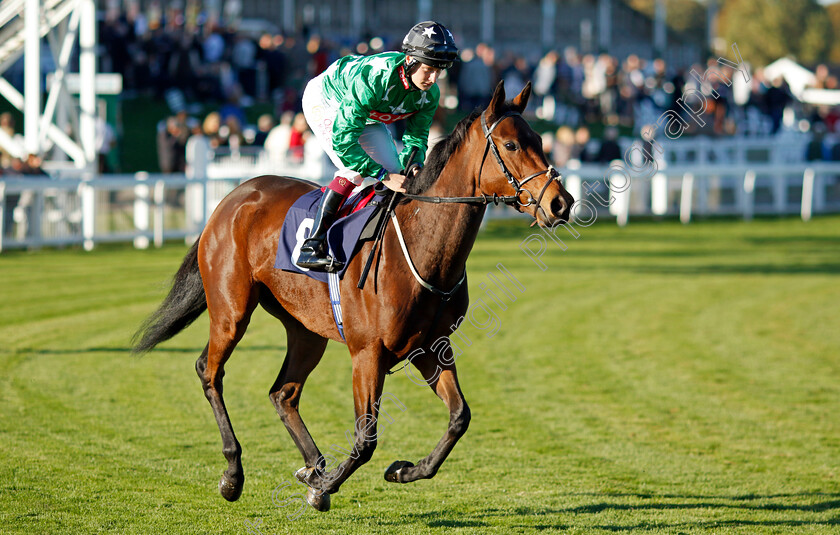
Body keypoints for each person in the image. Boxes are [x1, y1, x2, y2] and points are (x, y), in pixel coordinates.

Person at [295, 20, 458, 272]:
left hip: (365, 114)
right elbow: (344, 140)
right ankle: (311, 245)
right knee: (355, 170)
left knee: (397, 172)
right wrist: (382, 175)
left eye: (440, 70)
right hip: (326, 99)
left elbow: (416, 138)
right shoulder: (375, 77)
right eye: (429, 69)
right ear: (410, 61)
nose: (433, 78)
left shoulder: (430, 94)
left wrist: (413, 164)